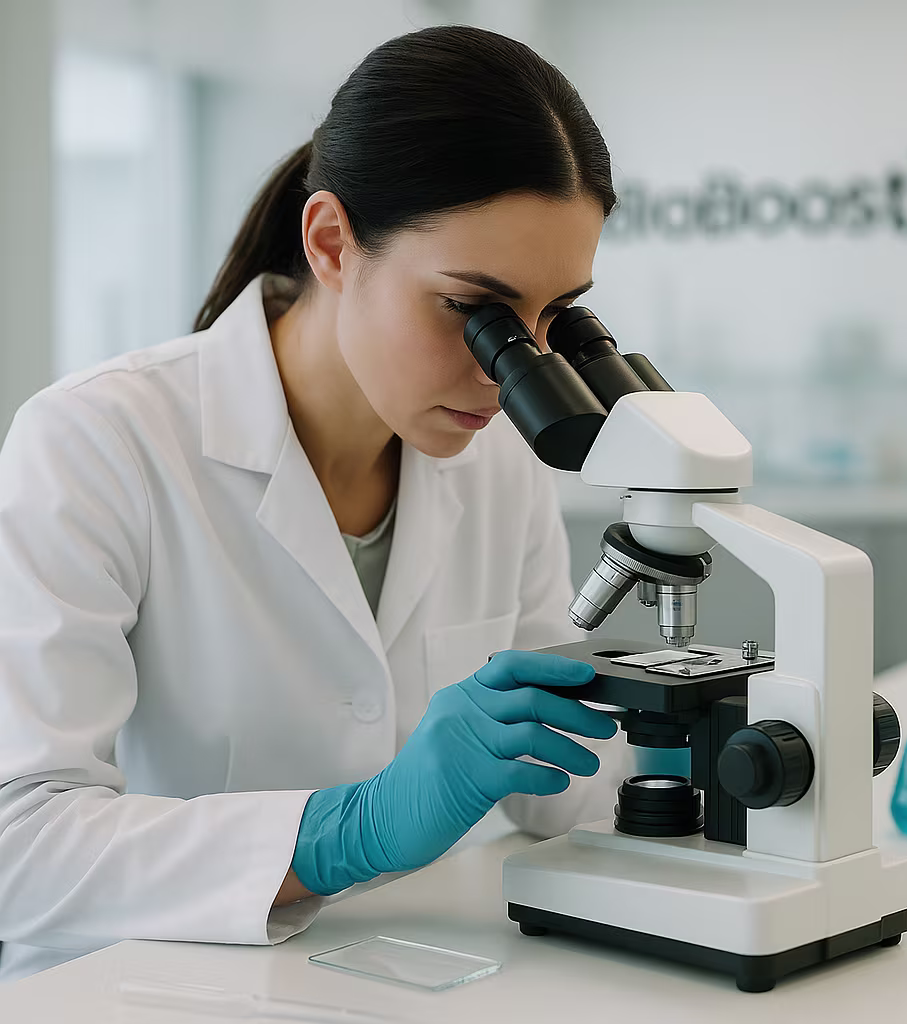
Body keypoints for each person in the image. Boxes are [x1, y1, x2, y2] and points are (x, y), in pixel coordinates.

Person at [0, 25, 631, 982]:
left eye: (552, 319)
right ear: (332, 242)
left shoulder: (497, 464)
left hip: (395, 977)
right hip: (140, 990)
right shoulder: (97, 442)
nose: (510, 371)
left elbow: (561, 787)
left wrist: (710, 749)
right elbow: (20, 846)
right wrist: (347, 831)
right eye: (476, 313)